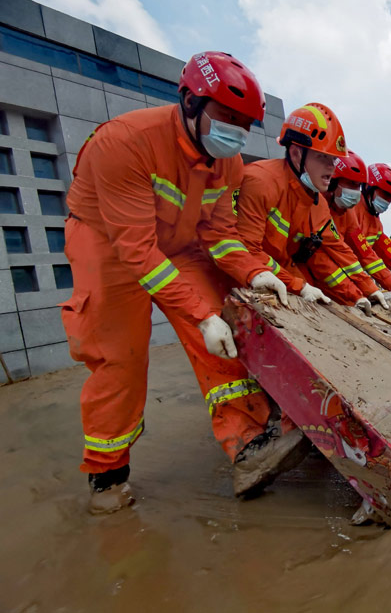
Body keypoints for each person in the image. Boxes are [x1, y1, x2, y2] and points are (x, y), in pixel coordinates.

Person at [61, 52, 308, 515]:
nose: (235, 132)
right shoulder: (126, 143)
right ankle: (107, 475)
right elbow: (137, 251)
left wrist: (260, 274)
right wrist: (200, 314)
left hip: (178, 240)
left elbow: (218, 236)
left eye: (244, 124)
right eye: (227, 118)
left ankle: (249, 446)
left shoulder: (228, 164)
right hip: (107, 242)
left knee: (225, 331)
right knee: (121, 357)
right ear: (190, 103)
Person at [236, 103, 389, 314]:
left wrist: (366, 291)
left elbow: (338, 249)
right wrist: (299, 286)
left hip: (278, 274)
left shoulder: (316, 201)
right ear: (297, 154)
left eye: (333, 159)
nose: (331, 167)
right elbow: (248, 250)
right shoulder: (260, 182)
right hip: (241, 282)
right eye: (323, 157)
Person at [323, 151, 391, 300]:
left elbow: (378, 256)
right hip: (323, 281)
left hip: (339, 284)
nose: (387, 201)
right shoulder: (343, 209)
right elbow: (340, 254)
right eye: (385, 194)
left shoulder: (372, 222)